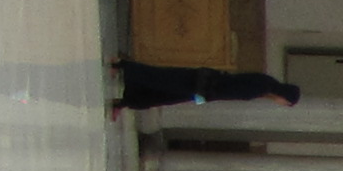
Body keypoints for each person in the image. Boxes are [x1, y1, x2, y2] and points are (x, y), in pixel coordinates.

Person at [114, 62, 302, 110]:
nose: (281, 103)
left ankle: (127, 100)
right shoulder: (262, 86)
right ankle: (123, 66)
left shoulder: (265, 86)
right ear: (284, 96)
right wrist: (207, 96)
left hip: (204, 89)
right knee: (162, 78)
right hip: (203, 85)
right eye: (285, 102)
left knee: (163, 94)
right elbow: (230, 90)